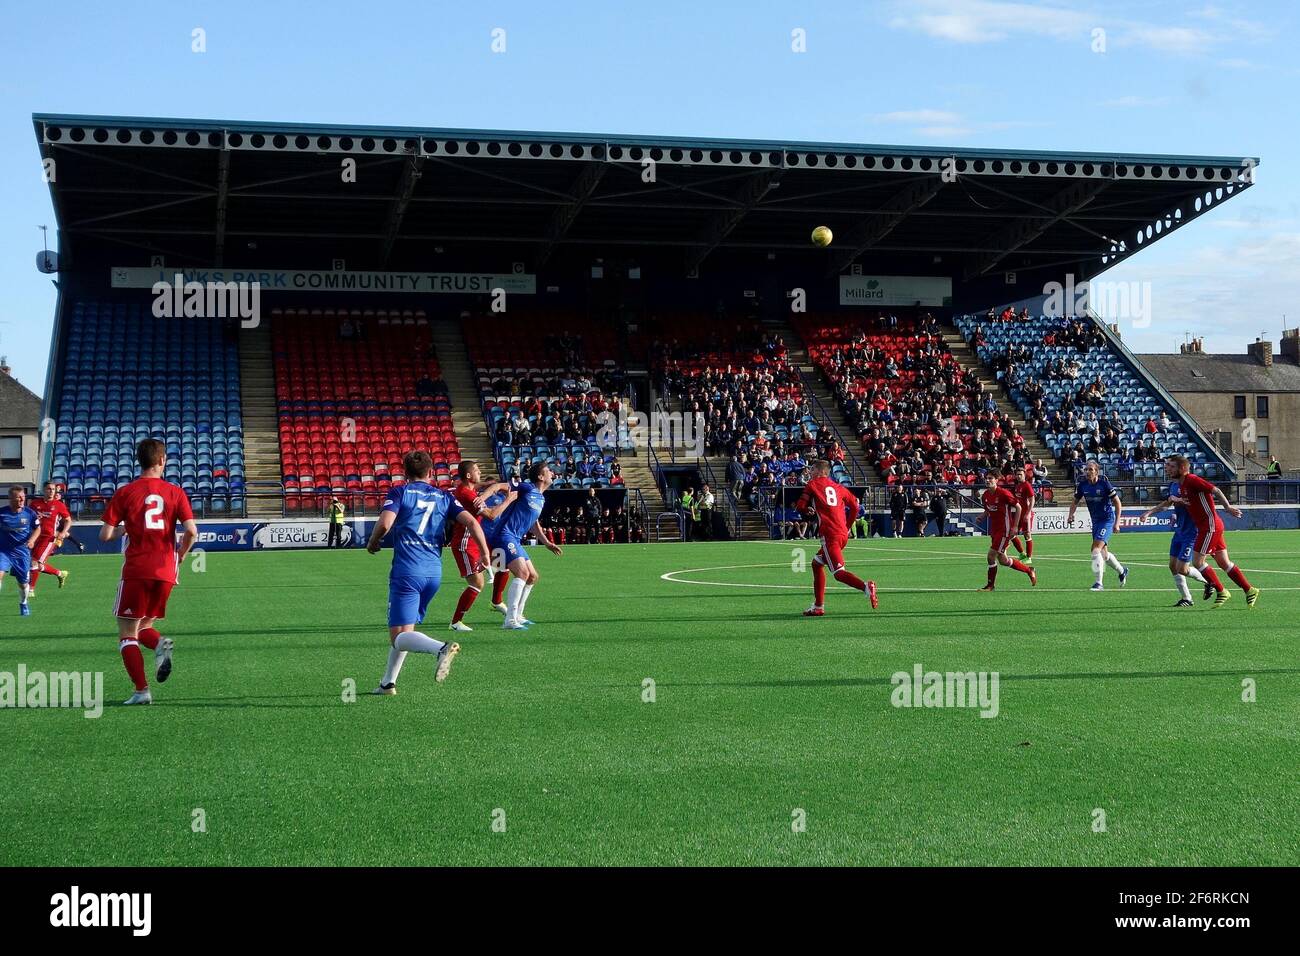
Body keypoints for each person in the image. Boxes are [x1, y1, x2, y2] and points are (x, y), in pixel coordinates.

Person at [367, 451, 491, 695]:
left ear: (404, 472)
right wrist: (485, 554)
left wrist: (373, 541)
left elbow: (384, 524)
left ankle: (440, 648)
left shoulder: (400, 492)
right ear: (431, 472)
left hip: (407, 571)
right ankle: (387, 683)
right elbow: (473, 523)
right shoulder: (444, 496)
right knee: (406, 630)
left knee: (397, 637)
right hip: (433, 572)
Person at [98, 439, 198, 704]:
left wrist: (124, 528)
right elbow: (192, 532)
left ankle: (142, 690)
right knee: (145, 626)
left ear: (139, 460)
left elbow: (105, 534)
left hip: (137, 569)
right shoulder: (175, 492)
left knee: (127, 634)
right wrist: (181, 556)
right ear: (162, 460)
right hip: (166, 571)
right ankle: (159, 645)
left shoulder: (126, 492)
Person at [1164, 454, 1258, 608]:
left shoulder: (1192, 479)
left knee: (1197, 561)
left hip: (1209, 526)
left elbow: (1216, 490)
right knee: (1223, 562)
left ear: (1182, 468)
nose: (1168, 469)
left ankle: (1221, 591)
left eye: (1172, 466)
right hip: (1208, 526)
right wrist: (1176, 500)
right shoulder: (1181, 484)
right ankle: (1249, 590)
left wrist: (1227, 507)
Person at [485, 461, 564, 630]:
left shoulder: (540, 497)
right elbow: (498, 485)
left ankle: (518, 615)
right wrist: (481, 499)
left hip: (514, 538)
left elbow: (533, 524)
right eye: (548, 470)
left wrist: (547, 543)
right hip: (504, 535)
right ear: (540, 477)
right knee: (522, 572)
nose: (551, 472)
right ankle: (510, 620)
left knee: (532, 576)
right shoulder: (527, 488)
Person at [795, 459, 877, 617]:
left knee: (839, 573)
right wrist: (847, 526)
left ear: (820, 472)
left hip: (829, 534)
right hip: (842, 534)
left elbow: (800, 506)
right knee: (816, 563)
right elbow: (855, 506)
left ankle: (866, 586)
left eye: (812, 470)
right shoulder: (839, 487)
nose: (809, 473)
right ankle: (818, 606)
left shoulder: (812, 485)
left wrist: (807, 509)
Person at [448, 460, 515, 632]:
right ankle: (456, 622)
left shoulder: (469, 490)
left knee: (503, 563)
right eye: (477, 470)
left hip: (477, 541)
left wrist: (492, 485)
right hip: (465, 542)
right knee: (477, 583)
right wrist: (508, 500)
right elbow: (491, 515)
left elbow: (482, 489)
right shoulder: (467, 494)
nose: (480, 473)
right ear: (469, 476)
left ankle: (497, 601)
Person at [1139, 463, 1211, 607]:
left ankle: (1209, 581)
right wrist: (1149, 512)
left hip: (1192, 532)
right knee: (1172, 566)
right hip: (1180, 531)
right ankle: (1187, 598)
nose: (1167, 470)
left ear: (1179, 468)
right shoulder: (1173, 485)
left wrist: (1177, 500)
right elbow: (1167, 503)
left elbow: (1192, 502)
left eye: (1170, 467)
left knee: (1182, 569)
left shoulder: (1191, 484)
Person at [1067, 460, 1128, 591]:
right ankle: (1122, 571)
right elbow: (1075, 501)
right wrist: (1071, 514)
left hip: (1106, 520)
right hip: (1095, 521)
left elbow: (1117, 503)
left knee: (1095, 550)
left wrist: (1117, 522)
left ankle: (1098, 583)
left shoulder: (1104, 484)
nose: (1087, 472)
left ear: (1096, 471)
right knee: (1104, 555)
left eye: (1090, 469)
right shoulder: (1082, 485)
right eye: (1086, 470)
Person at [978, 473, 1037, 591]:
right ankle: (1029, 570)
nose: (988, 480)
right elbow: (988, 509)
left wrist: (1015, 526)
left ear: (996, 480)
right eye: (987, 478)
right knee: (1003, 560)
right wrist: (982, 516)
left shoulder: (1004, 493)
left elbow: (1018, 507)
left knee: (990, 556)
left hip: (1004, 530)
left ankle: (990, 585)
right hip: (994, 530)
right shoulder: (985, 495)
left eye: (990, 478)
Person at [0, 485, 40, 617]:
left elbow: (37, 529)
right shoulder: (2, 513)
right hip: (4, 551)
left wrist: (32, 540)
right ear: (10, 498)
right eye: (18, 498)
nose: (22, 500)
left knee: (23, 583)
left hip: (21, 551)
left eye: (23, 497)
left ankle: (23, 603)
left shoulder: (29, 513)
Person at [27, 480, 72, 596]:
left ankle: (31, 590)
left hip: (49, 539)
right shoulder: (35, 504)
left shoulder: (59, 505)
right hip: (35, 537)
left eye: (53, 489)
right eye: (49, 489)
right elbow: (27, 517)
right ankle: (60, 573)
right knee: (38, 565)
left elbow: (68, 520)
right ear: (44, 490)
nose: (51, 491)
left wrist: (63, 532)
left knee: (34, 562)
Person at [1005, 465, 1036, 563]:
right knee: (1012, 533)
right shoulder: (1017, 486)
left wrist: (1028, 513)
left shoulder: (1027, 485)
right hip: (1019, 514)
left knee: (1027, 534)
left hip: (1026, 514)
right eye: (1017, 474)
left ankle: (1029, 558)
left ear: (1024, 475)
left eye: (1020, 474)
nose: (1019, 476)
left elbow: (1032, 500)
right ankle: (1022, 554)